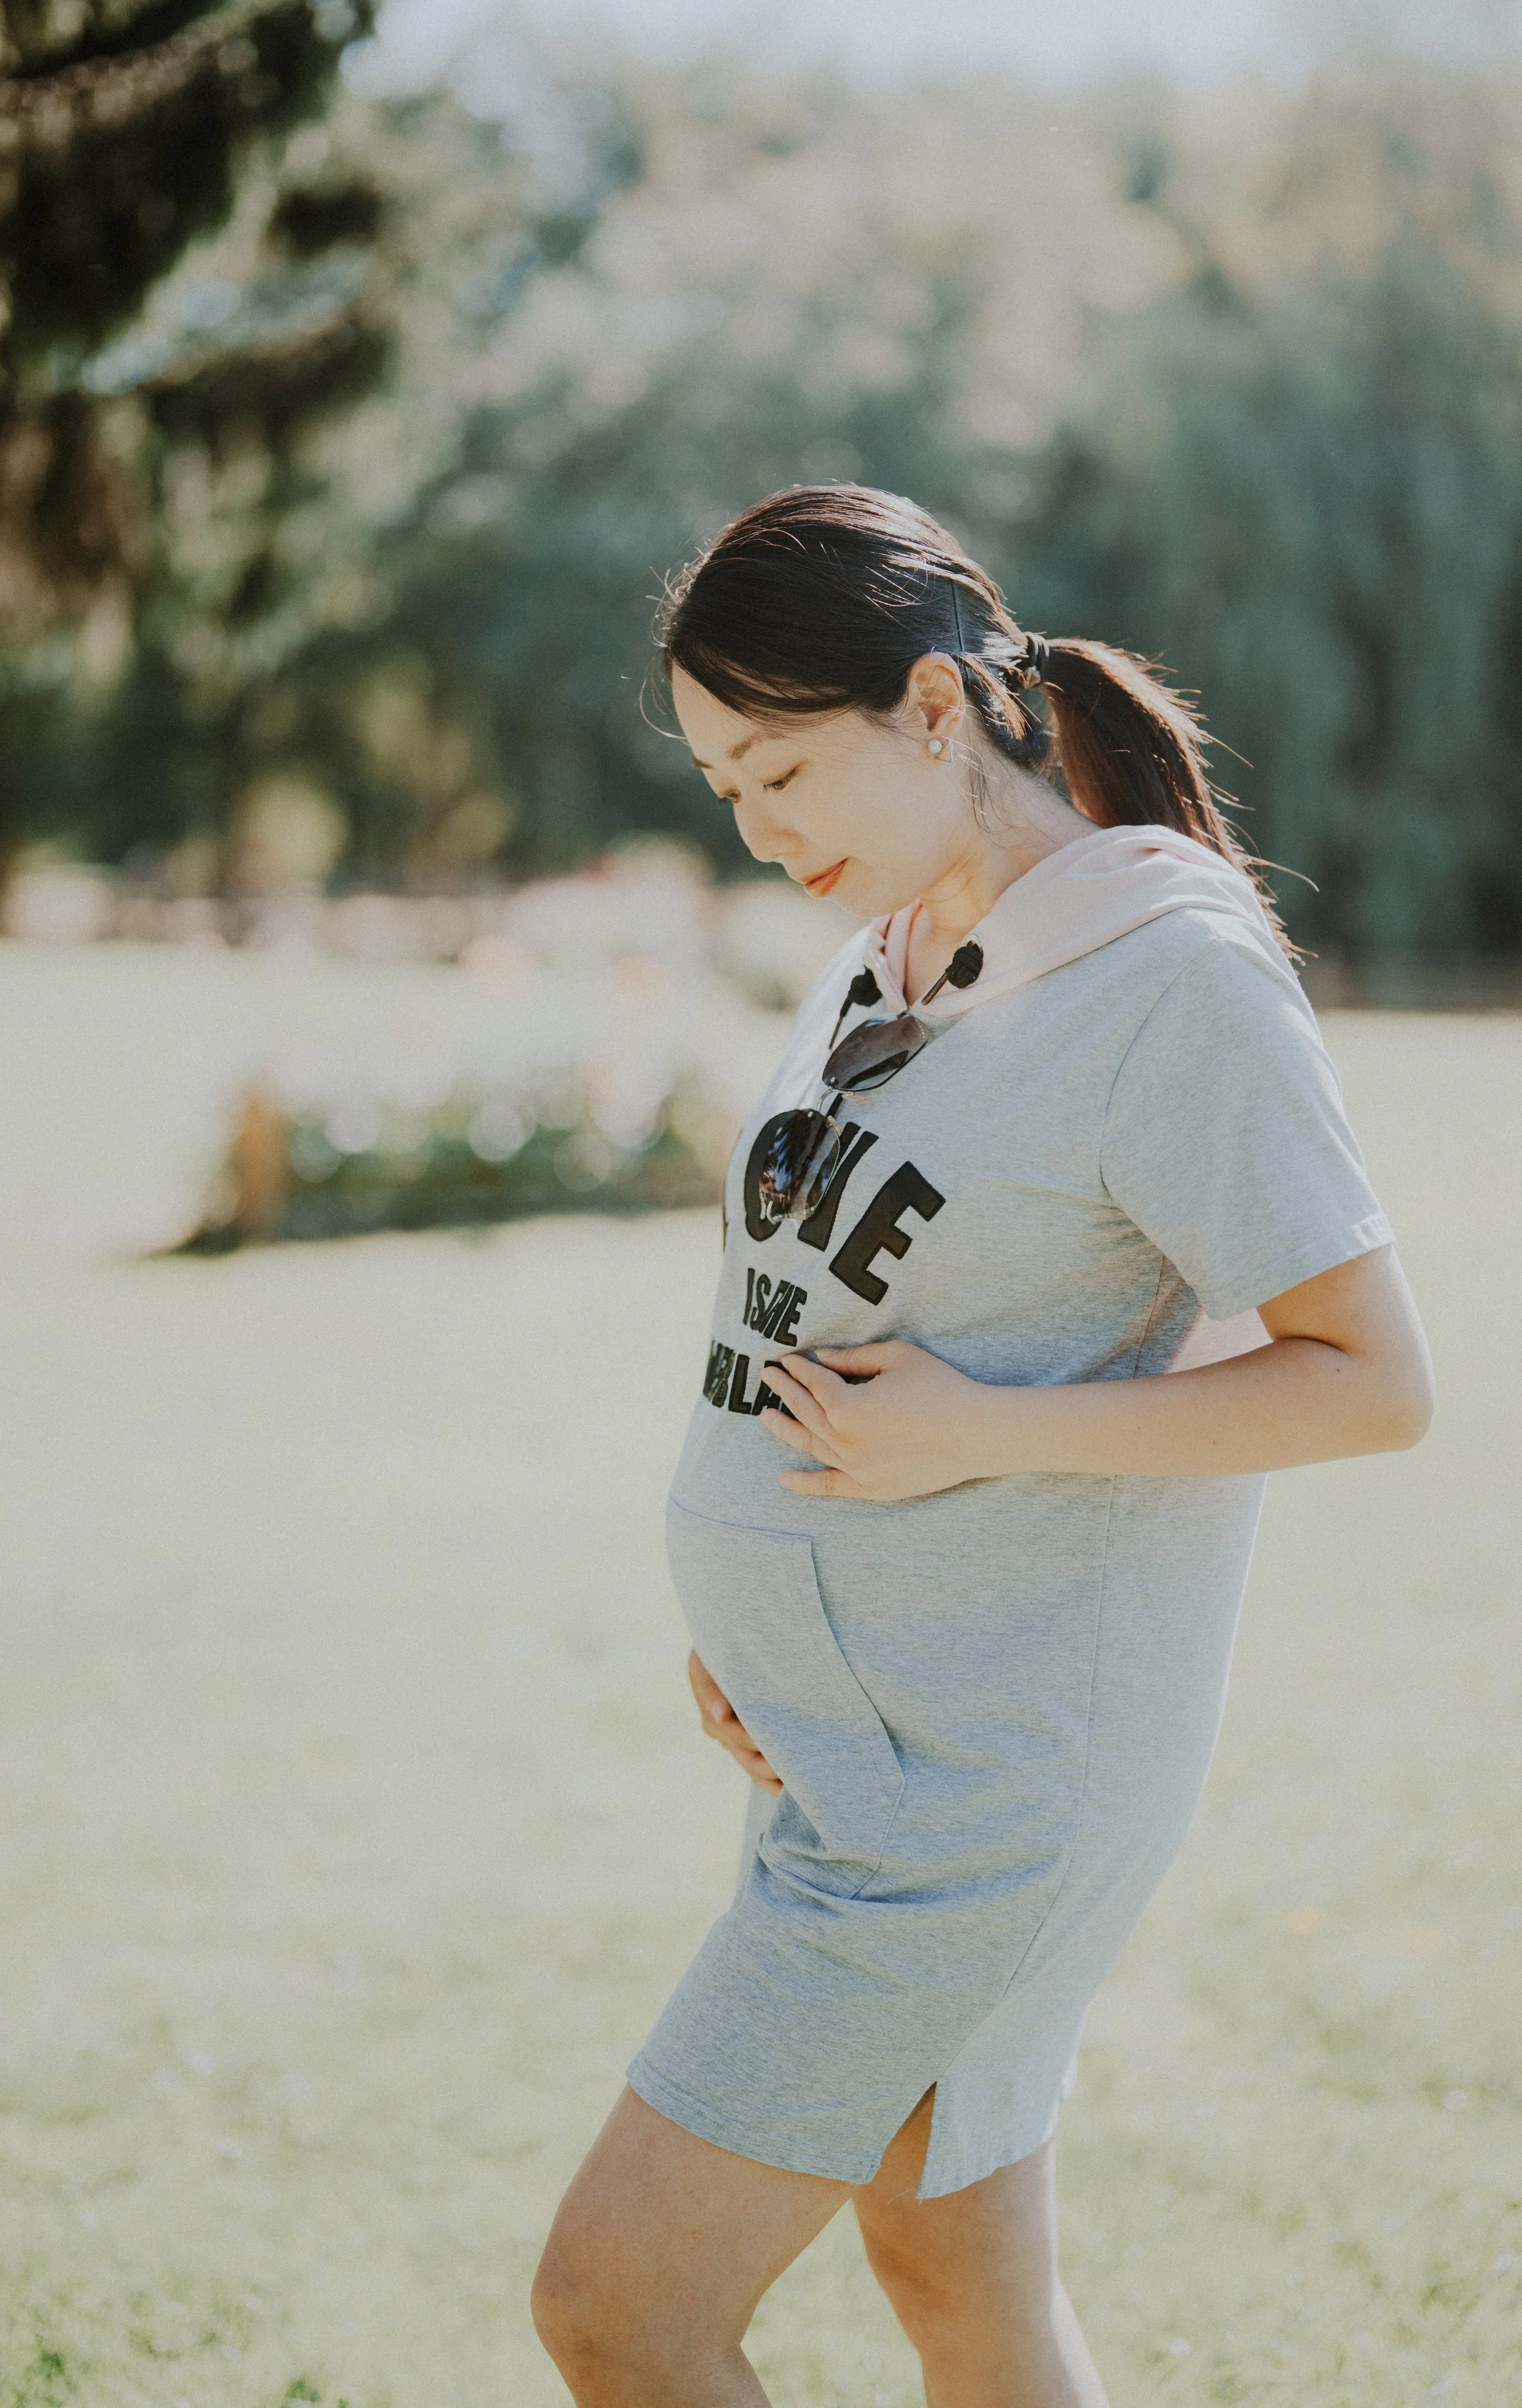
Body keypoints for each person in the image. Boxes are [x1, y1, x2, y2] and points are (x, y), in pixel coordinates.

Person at [530, 484, 1434, 2407]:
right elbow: (805, 1315)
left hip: (976, 1790)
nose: (756, 829)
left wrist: (985, 1437)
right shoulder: (897, 950)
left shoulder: (1166, 981)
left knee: (617, 2305)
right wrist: (764, 1613)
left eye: (779, 768)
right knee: (958, 2275)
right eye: (720, 788)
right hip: (855, 1739)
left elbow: (1370, 1379)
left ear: (939, 709)